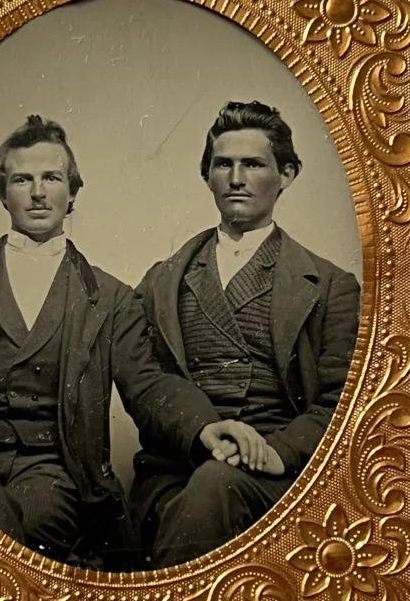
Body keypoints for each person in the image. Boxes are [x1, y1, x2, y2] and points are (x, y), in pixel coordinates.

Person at [0, 115, 228, 570]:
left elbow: (148, 384)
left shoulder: (109, 298)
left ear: (72, 191)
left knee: (19, 532)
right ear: (2, 193)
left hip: (55, 470)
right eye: (22, 179)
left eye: (51, 178)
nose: (38, 193)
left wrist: (202, 427)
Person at [131, 101, 361, 568]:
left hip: (281, 474)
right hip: (181, 466)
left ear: (288, 174)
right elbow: (143, 380)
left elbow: (343, 402)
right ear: (207, 175)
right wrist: (201, 431)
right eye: (223, 164)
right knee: (206, 487)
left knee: (219, 485)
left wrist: (278, 451)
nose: (236, 178)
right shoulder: (163, 281)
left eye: (253, 164)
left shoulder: (331, 286)